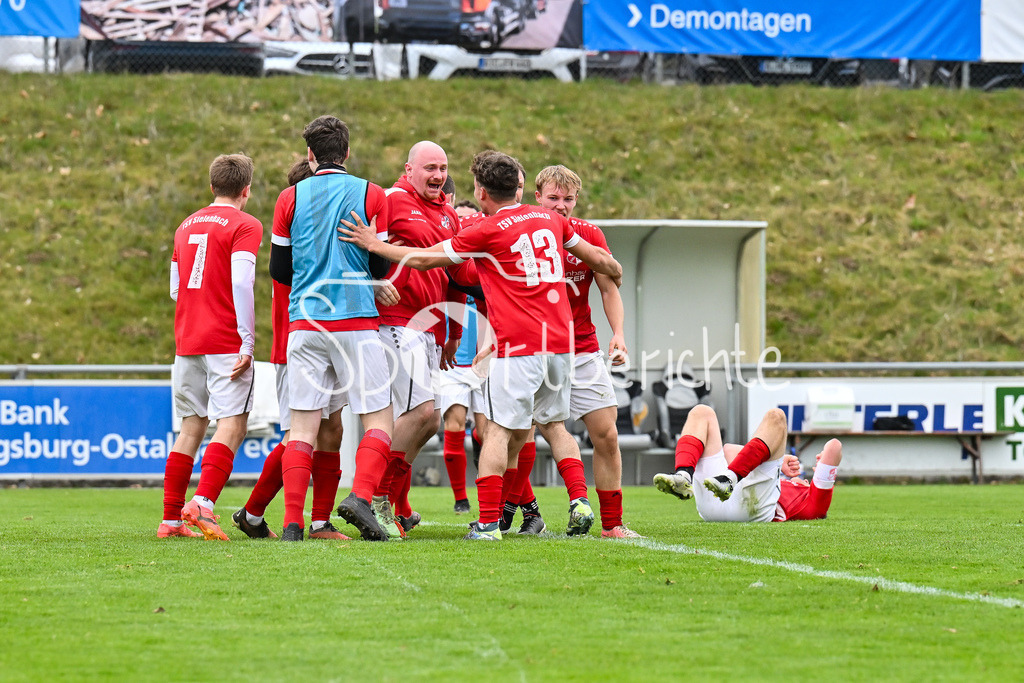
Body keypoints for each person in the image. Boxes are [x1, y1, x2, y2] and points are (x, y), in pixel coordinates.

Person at [338, 150, 623, 541]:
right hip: (560, 345)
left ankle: (488, 523)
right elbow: (594, 257)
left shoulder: (488, 228)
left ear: (480, 191)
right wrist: (614, 267)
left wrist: (375, 244)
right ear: (520, 188)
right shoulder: (550, 219)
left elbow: (423, 260)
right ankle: (578, 501)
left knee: (499, 433)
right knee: (555, 426)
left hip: (518, 346)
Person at [269, 115, 396, 542]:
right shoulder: (371, 193)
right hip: (356, 320)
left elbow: (279, 269)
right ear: (346, 153)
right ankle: (360, 497)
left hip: (305, 322)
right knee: (378, 417)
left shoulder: (289, 197)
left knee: (301, 428)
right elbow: (380, 261)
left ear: (310, 154)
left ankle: (291, 524)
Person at [232, 159, 352, 541]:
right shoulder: (298, 247)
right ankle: (262, 514)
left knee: (332, 430)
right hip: (297, 346)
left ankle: (318, 523)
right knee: (299, 434)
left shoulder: (314, 243)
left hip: (327, 342)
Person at [527, 164, 638, 538]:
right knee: (517, 437)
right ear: (537, 197)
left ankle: (612, 525)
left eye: (568, 199)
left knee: (606, 434)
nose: (561, 205)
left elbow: (609, 287)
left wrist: (619, 334)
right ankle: (515, 515)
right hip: (535, 351)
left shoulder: (588, 234)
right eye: (553, 198)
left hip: (583, 349)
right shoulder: (523, 234)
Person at [158, 153, 262, 540]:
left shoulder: (185, 225)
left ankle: (170, 520)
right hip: (223, 339)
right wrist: (247, 340)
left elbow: (175, 288)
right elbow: (241, 282)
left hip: (187, 338)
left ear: (212, 186)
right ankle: (203, 503)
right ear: (246, 190)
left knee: (191, 427)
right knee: (233, 424)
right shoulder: (245, 224)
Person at [368, 141, 465, 540]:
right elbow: (364, 250)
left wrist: (453, 334)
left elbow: (458, 276)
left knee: (429, 422)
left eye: (443, 167)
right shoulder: (390, 199)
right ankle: (375, 498)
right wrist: (373, 284)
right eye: (429, 167)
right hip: (394, 320)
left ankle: (381, 499)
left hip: (428, 328)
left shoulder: (448, 214)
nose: (438, 175)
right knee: (423, 414)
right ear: (408, 170)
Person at [652, 405, 842, 522]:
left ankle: (730, 479)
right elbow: (728, 450)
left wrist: (821, 465)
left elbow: (834, 447)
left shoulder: (810, 502)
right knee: (702, 412)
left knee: (776, 417)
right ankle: (683, 475)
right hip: (714, 501)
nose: (805, 480)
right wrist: (779, 460)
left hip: (753, 509)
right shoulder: (783, 482)